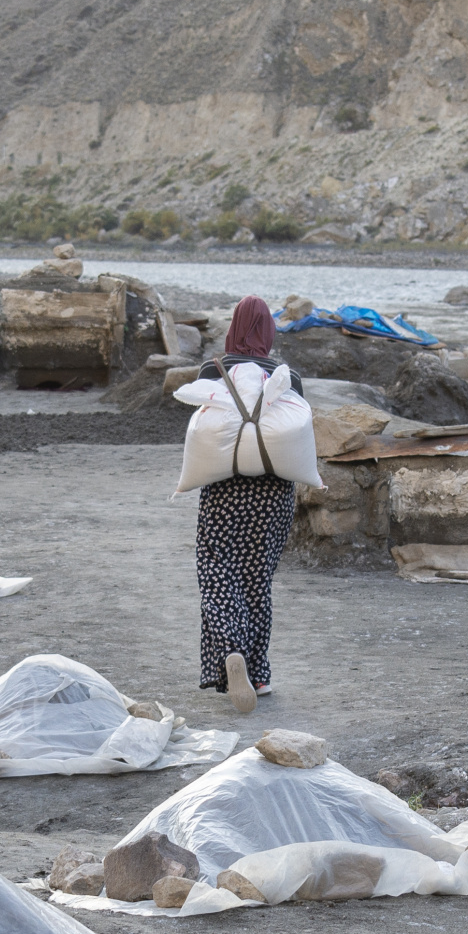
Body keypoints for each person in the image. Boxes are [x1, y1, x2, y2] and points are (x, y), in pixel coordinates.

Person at [193, 296, 302, 714]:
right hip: (273, 495)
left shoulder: (213, 370)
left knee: (217, 570)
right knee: (257, 580)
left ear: (234, 328)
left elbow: (201, 430)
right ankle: (259, 673)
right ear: (269, 332)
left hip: (225, 490)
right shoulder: (287, 376)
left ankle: (230, 652)